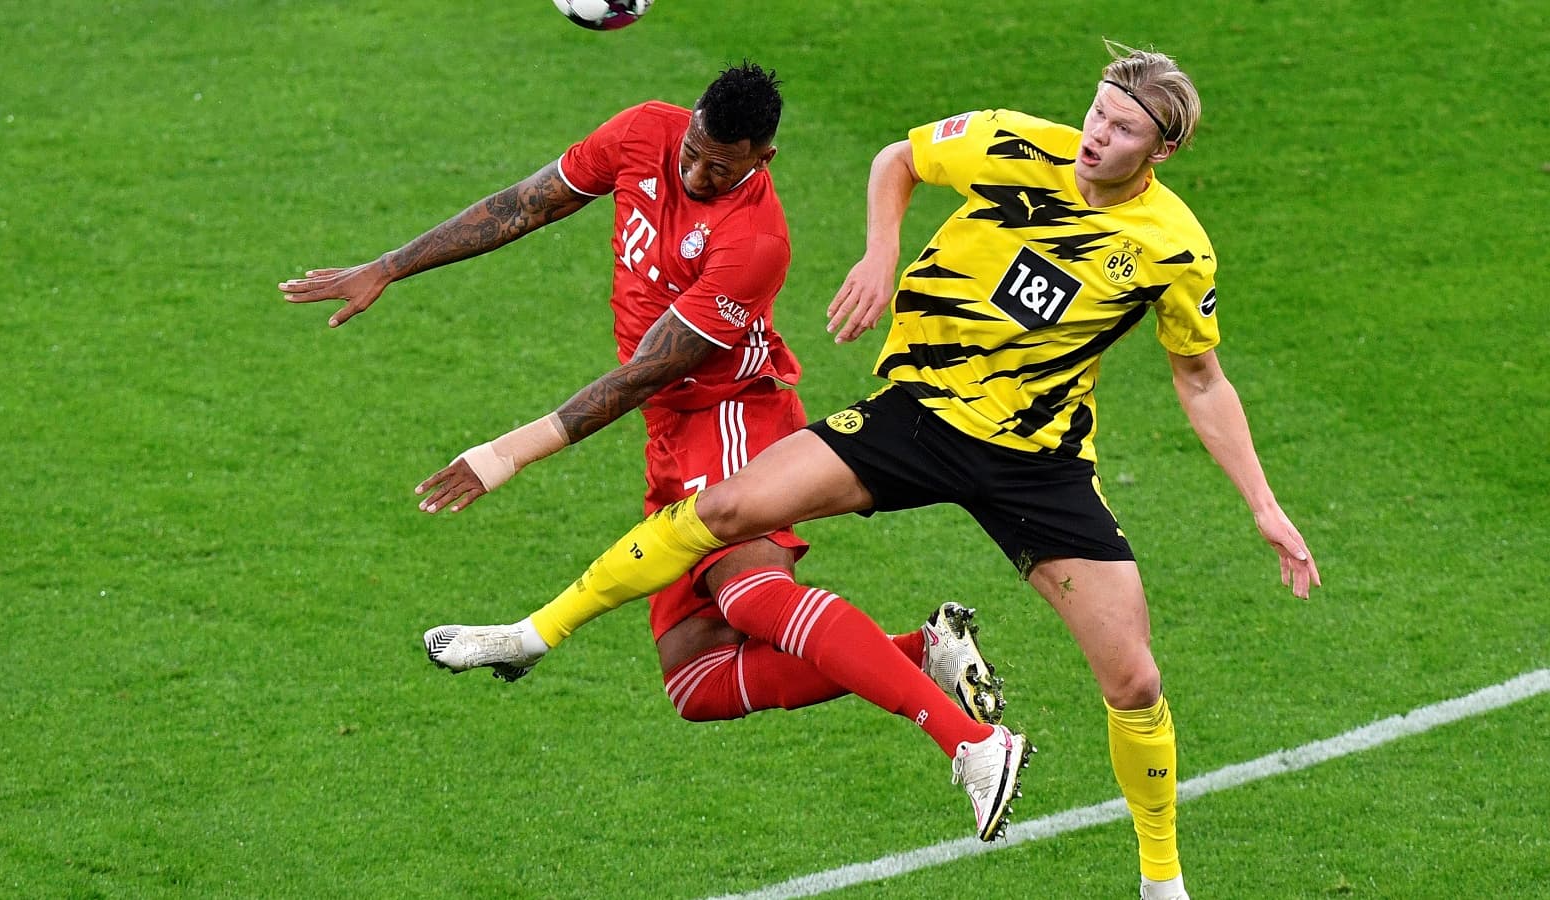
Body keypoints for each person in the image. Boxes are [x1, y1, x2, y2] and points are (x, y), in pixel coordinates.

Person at [420, 42, 1321, 894]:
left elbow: (1201, 381)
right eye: (1096, 113)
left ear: (1162, 148)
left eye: (1122, 131)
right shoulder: (1012, 142)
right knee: (729, 512)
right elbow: (899, 157)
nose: (1095, 135)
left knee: (1134, 682)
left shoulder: (1173, 246)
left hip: (1036, 464)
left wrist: (1264, 506)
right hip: (916, 415)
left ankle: (1161, 880)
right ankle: (535, 636)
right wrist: (881, 252)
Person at [280, 62, 1022, 835]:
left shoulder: (755, 244)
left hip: (731, 414)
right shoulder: (645, 132)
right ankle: (926, 649)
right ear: (690, 120)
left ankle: (971, 742)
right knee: (697, 683)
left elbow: (643, 374)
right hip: (670, 429)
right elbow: (524, 205)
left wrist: (503, 455)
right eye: (694, 150)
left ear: (761, 162)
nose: (696, 172)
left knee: (748, 591)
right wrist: (390, 267)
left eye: (720, 166)